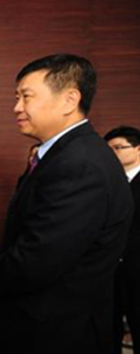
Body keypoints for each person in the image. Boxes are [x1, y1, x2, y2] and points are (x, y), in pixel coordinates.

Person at [0, 54, 134, 354]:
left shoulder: (80, 164)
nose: (17, 107)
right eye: (16, 97)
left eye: (26, 96)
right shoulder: (66, 155)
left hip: (56, 333)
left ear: (69, 99)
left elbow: (38, 259)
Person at [105, 126, 140, 354]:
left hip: (138, 271)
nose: (113, 154)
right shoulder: (109, 182)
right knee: (108, 332)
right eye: (109, 150)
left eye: (118, 148)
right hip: (110, 273)